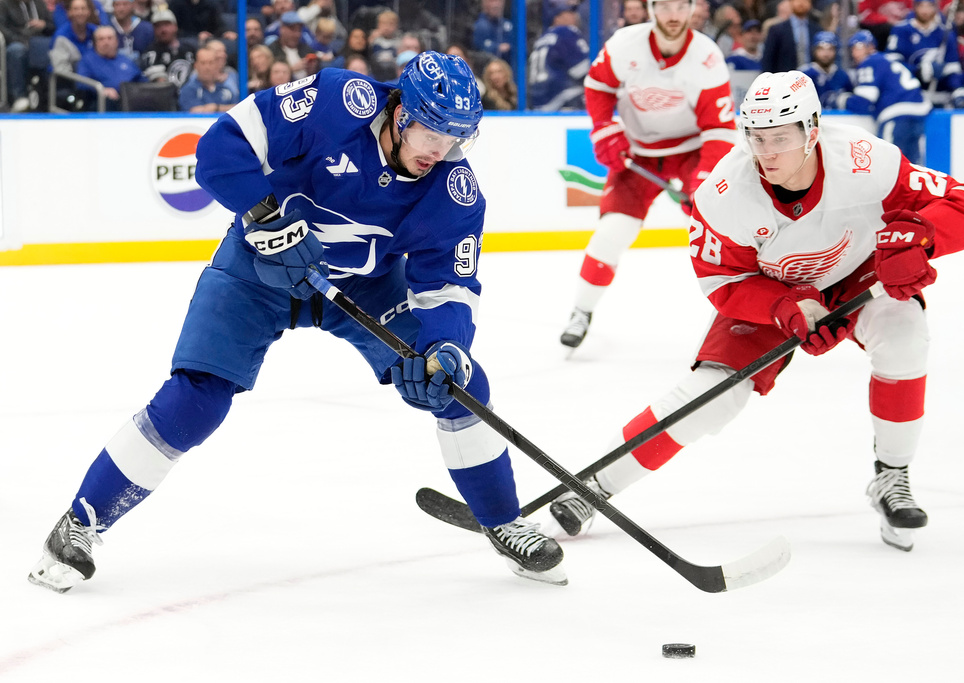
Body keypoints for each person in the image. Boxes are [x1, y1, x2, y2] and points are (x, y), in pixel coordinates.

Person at [27, 51, 566, 594]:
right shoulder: (337, 101)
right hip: (259, 266)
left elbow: (448, 288)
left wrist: (446, 349)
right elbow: (220, 148)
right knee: (197, 397)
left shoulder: (454, 190)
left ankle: (502, 521)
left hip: (363, 285)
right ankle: (80, 522)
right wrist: (264, 218)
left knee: (458, 385)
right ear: (401, 110)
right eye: (431, 131)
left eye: (454, 138)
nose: (439, 149)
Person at [547, 69, 964, 554]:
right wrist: (785, 306)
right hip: (773, 291)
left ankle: (892, 475)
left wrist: (923, 237)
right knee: (712, 397)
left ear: (812, 131)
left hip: (857, 274)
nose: (767, 153)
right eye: (756, 138)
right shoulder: (723, 193)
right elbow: (723, 281)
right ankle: (594, 484)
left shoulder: (867, 159)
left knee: (905, 334)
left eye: (780, 138)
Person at [558, 0, 736, 349]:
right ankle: (581, 310)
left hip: (692, 153)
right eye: (664, 6)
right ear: (651, 7)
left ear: (692, 8)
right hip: (638, 155)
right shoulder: (624, 45)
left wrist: (704, 180)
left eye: (680, 7)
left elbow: (719, 129)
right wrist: (605, 129)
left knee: (723, 234)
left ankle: (738, 315)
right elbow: (598, 87)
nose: (673, 16)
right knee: (612, 233)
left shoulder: (707, 57)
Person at [834, 30, 931, 165]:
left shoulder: (870, 62)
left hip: (897, 115)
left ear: (871, 47)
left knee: (888, 165)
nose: (855, 53)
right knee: (912, 168)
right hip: (919, 114)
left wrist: (841, 100)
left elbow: (864, 101)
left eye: (860, 47)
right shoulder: (887, 60)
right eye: (853, 49)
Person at [885, 0, 964, 108]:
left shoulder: (946, 33)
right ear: (915, 7)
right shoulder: (901, 30)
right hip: (908, 96)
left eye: (929, 6)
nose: (925, 11)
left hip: (938, 97)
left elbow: (952, 68)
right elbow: (892, 64)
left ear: (936, 8)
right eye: (921, 6)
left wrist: (957, 88)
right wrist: (918, 71)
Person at [527, 0, 589, 110]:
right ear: (557, 18)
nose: (574, 16)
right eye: (568, 13)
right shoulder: (566, 32)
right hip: (562, 101)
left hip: (538, 103)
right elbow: (583, 70)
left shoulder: (541, 39)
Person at [0, 0, 55, 112]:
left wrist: (44, 25)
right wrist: (19, 40)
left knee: (52, 49)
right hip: (15, 42)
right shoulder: (4, 4)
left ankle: (50, 96)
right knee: (17, 50)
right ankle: (18, 96)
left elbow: (51, 26)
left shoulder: (39, 4)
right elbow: (2, 28)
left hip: (38, 42)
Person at [75, 23, 145, 109]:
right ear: (95, 43)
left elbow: (140, 78)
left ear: (116, 41)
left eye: (109, 38)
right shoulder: (88, 60)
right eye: (101, 39)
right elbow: (81, 83)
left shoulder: (125, 59)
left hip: (132, 99)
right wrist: (101, 90)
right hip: (104, 102)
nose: (106, 42)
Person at [138, 8, 196, 88]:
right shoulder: (151, 53)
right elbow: (158, 80)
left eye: (166, 24)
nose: (163, 30)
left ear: (175, 26)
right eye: (158, 26)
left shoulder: (190, 49)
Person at [760, 0, 822, 71]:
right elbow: (768, 59)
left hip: (811, 77)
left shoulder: (817, 30)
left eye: (805, 1)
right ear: (790, 3)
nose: (801, 3)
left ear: (811, 4)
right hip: (785, 77)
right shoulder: (777, 30)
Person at [802, 30, 853, 108]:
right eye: (821, 49)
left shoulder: (843, 75)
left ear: (836, 51)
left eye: (830, 49)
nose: (826, 54)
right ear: (814, 50)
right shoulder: (804, 75)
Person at [176, 44, 235, 111]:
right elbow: (194, 111)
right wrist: (223, 108)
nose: (207, 67)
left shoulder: (226, 89)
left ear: (216, 65)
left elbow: (237, 109)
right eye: (203, 63)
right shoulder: (188, 89)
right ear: (196, 66)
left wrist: (215, 107)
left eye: (210, 63)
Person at [269, 10, 319, 79]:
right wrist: (291, 70)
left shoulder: (307, 49)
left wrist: (312, 70)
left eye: (299, 30)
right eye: (293, 30)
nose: (297, 34)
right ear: (282, 29)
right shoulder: (271, 51)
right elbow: (268, 75)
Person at [725, 18, 763, 105]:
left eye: (757, 32)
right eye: (749, 32)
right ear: (742, 35)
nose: (753, 36)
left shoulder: (766, 59)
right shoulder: (734, 59)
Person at [473, 0, 514, 67]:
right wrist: (497, 48)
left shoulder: (508, 24)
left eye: (498, 1)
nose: (496, 4)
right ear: (484, 3)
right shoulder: (480, 26)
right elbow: (480, 49)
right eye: (492, 1)